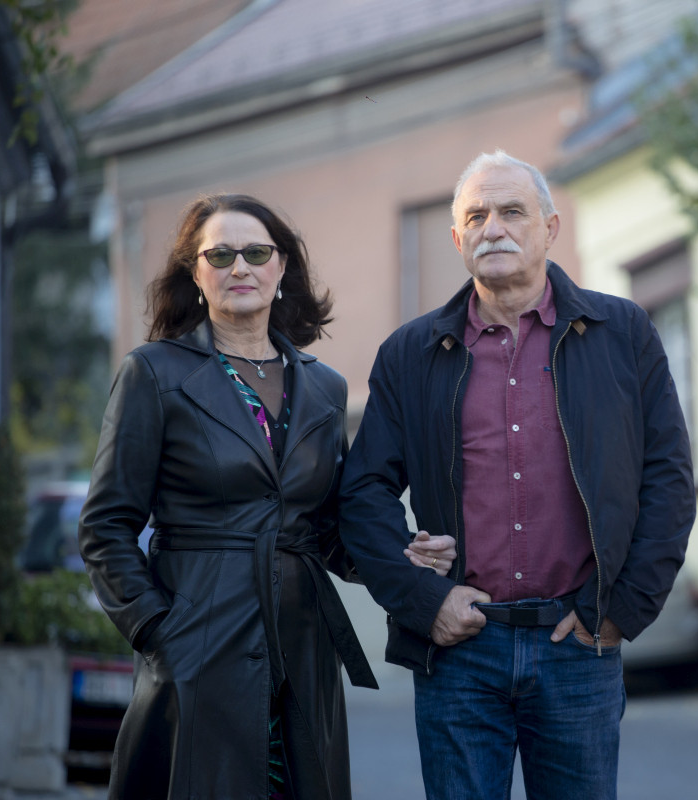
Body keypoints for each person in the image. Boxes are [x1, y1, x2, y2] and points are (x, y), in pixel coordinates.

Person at [339, 151, 696, 800]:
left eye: (511, 212)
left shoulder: (622, 333)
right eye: (476, 217)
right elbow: (362, 493)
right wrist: (424, 601)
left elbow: (667, 478)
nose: (493, 228)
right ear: (457, 239)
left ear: (550, 228)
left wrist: (622, 610)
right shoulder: (409, 355)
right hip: (459, 651)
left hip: (577, 645)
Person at [77, 193, 456, 800]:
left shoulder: (325, 387)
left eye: (256, 253)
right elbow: (105, 528)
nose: (240, 268)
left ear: (281, 267)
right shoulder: (152, 373)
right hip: (199, 640)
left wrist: (400, 553)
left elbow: (327, 529)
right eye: (220, 255)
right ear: (195, 272)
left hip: (304, 648)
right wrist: (158, 633)